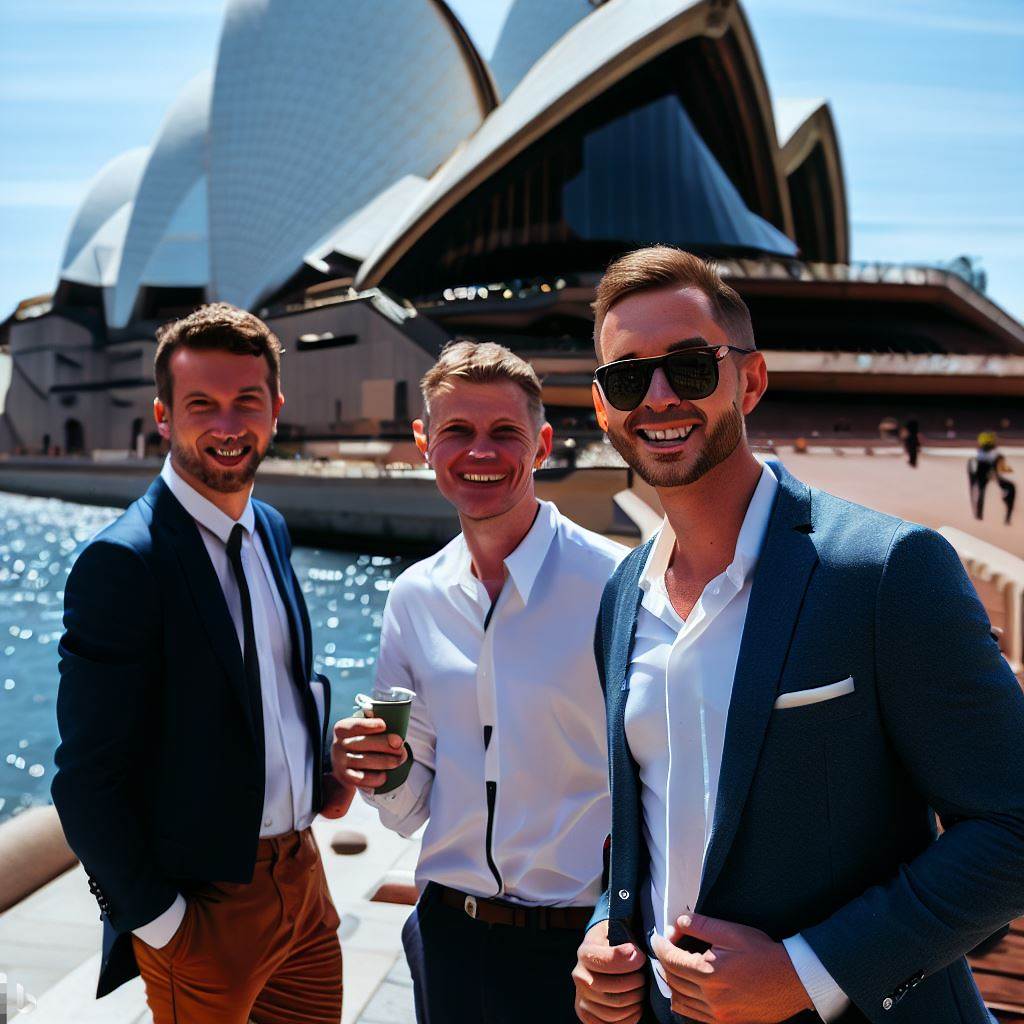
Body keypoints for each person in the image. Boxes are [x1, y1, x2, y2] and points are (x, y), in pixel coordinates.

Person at [572, 247, 1024, 1024]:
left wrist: (810, 972)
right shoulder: (622, 595)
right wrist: (604, 937)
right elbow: (650, 817)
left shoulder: (885, 571)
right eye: (626, 377)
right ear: (603, 404)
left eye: (689, 366)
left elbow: (1013, 824)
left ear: (750, 378)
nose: (657, 397)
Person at [52, 304, 350, 1023]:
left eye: (246, 401)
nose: (227, 424)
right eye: (201, 405)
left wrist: (322, 775)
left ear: (275, 410)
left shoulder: (269, 525)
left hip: (304, 885)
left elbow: (275, 684)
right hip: (205, 908)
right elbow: (85, 779)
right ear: (162, 416)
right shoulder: (124, 561)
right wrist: (162, 925)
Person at [332, 340, 626, 1023]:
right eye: (457, 431)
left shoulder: (618, 583)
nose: (481, 453)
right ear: (424, 443)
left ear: (544, 444)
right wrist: (376, 767)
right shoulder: (413, 595)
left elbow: (662, 776)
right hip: (448, 937)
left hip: (585, 947)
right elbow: (409, 805)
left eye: (505, 433)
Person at [969, 431, 1015, 525]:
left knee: (981, 491)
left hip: (986, 473)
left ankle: (979, 514)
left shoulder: (986, 454)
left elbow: (1000, 469)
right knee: (981, 491)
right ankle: (980, 514)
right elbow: (1001, 469)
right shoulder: (994, 455)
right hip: (985, 473)